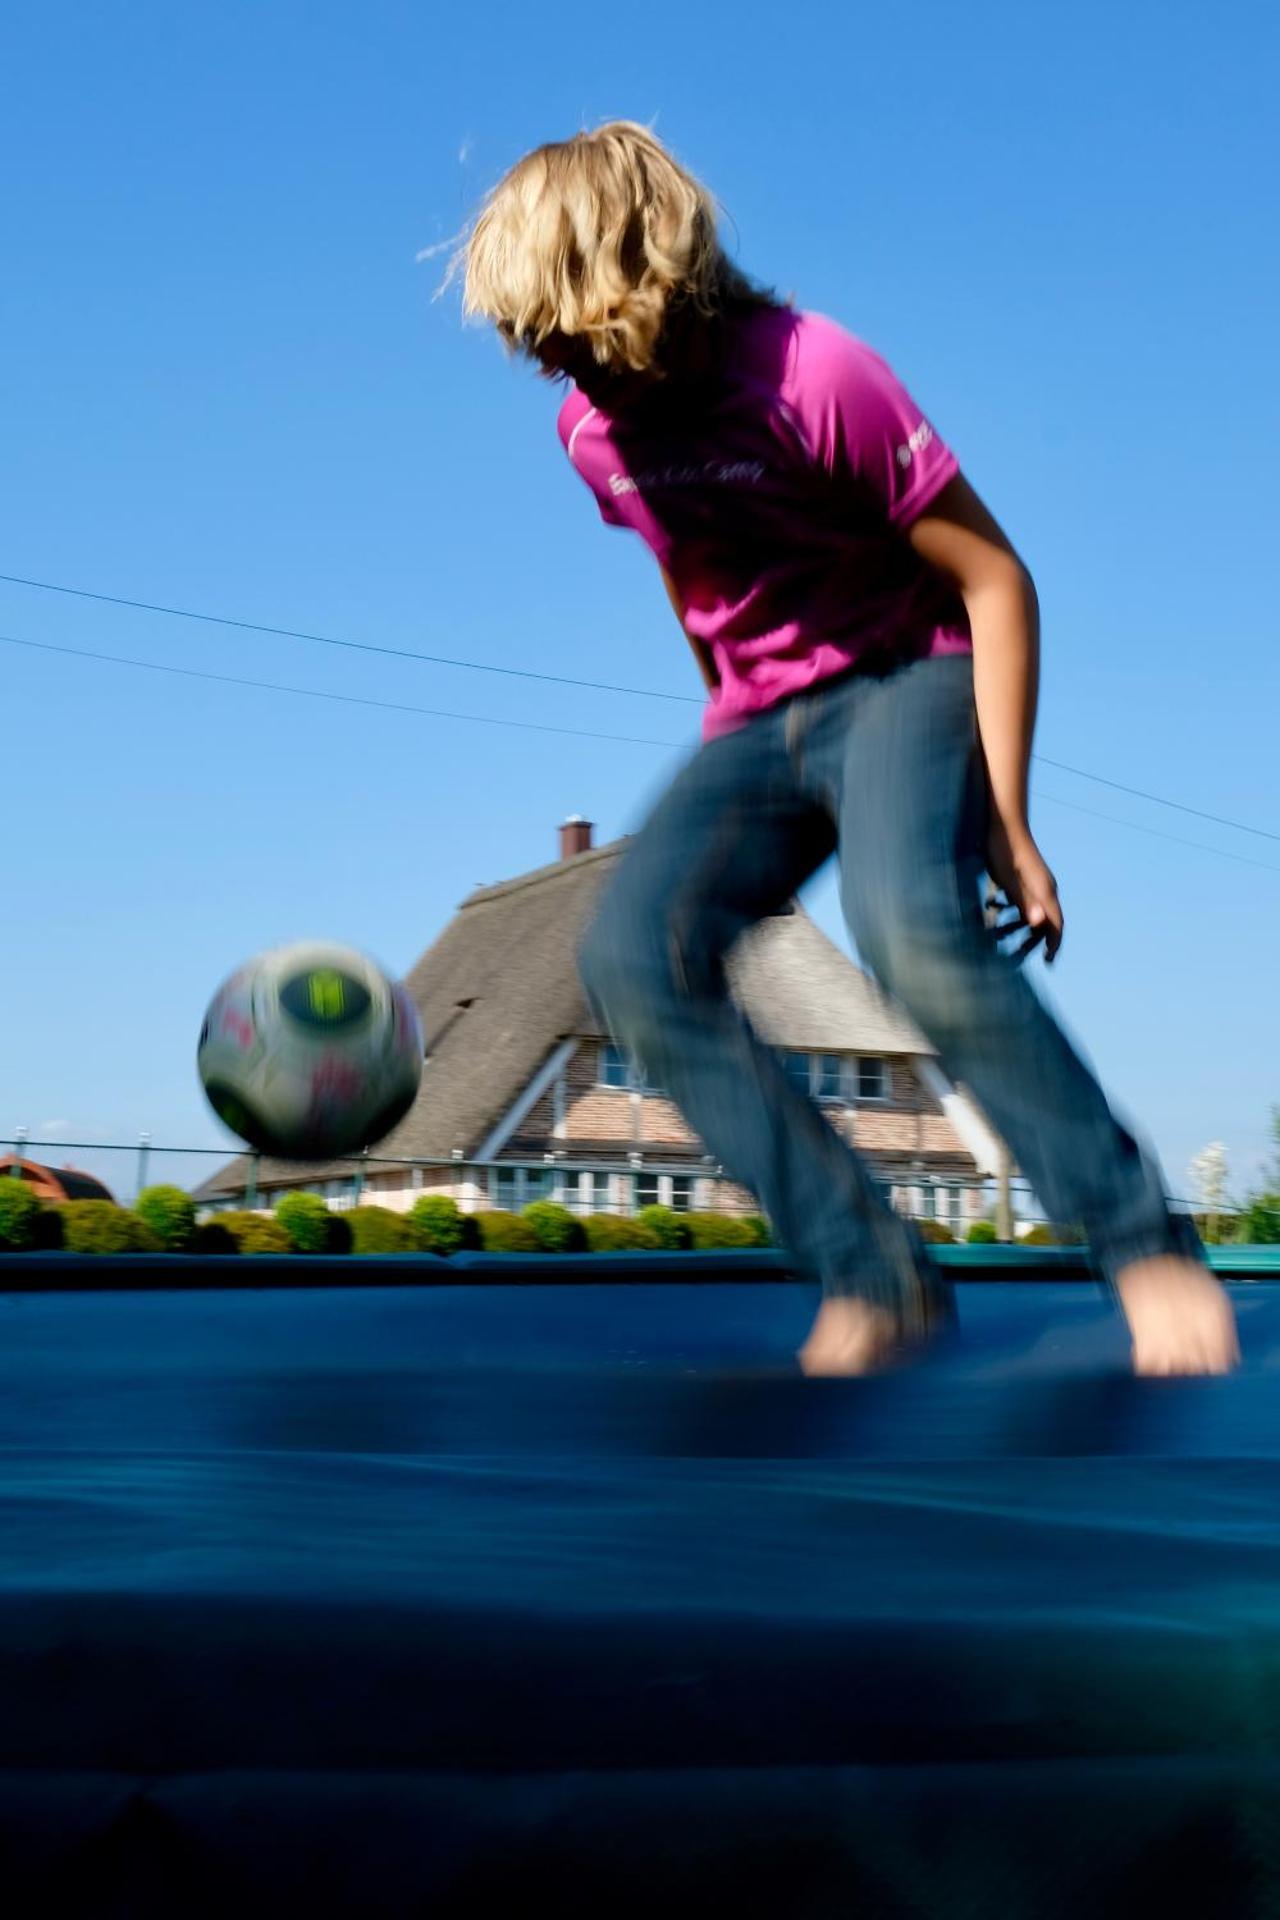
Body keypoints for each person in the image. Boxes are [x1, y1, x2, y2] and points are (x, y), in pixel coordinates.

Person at [459, 121, 1239, 1377]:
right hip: (762, 725)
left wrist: (1002, 816)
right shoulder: (591, 433)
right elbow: (688, 565)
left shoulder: (814, 374)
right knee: (627, 955)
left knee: (913, 937)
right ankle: (875, 1275)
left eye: (556, 324)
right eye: (524, 337)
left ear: (634, 281)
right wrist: (727, 719)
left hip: (905, 677)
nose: (544, 359)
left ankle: (1144, 1249)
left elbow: (994, 580)